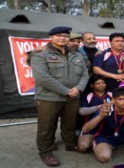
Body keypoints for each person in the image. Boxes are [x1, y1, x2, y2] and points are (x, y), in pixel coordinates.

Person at [29, 26, 89, 167]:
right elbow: (43, 78)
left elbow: (85, 74)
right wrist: (66, 91)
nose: (62, 38)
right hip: (48, 97)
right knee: (47, 126)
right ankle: (46, 151)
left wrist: (79, 89)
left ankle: (69, 144)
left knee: (70, 123)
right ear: (51, 37)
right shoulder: (40, 54)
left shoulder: (77, 54)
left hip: (73, 97)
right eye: (58, 35)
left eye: (65, 36)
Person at [77, 75, 112, 152]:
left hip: (108, 127)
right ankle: (95, 142)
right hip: (91, 127)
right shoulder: (87, 96)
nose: (101, 85)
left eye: (103, 83)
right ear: (92, 85)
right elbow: (81, 111)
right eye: (98, 83)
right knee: (83, 147)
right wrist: (99, 107)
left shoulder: (111, 94)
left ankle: (101, 143)